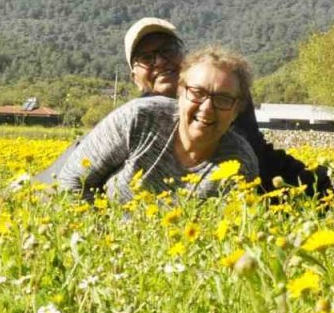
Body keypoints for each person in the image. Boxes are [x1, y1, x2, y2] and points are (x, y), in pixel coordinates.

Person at [43, 18, 334, 222]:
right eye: (146, 58)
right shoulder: (134, 121)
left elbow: (257, 157)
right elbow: (72, 169)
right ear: (134, 76)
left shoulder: (222, 88)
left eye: (167, 50)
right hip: (192, 209)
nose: (159, 60)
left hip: (262, 184)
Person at [55, 46, 259, 201]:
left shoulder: (240, 163)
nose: (206, 108)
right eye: (197, 93)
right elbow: (70, 181)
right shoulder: (138, 119)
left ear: (236, 110)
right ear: (179, 93)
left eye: (222, 100)